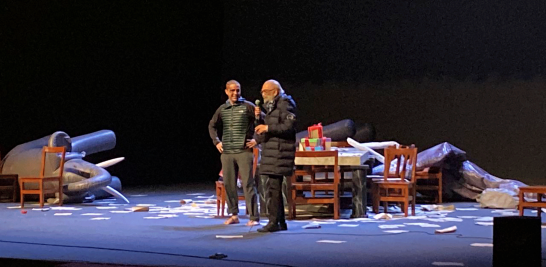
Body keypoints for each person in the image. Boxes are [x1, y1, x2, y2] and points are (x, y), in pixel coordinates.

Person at [209, 80, 260, 226]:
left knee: (248, 184)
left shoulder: (248, 106)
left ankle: (254, 217)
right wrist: (217, 142)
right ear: (226, 91)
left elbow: (263, 122)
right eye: (232, 90)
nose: (235, 93)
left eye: (237, 90)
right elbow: (212, 125)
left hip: (244, 151)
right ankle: (233, 214)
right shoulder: (222, 109)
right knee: (229, 184)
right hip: (227, 153)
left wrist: (256, 140)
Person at [254, 79, 297, 232]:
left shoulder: (285, 103)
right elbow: (268, 127)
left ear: (275, 92)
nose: (263, 94)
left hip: (280, 152)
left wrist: (267, 127)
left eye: (265, 91)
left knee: (274, 189)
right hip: (272, 151)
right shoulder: (272, 106)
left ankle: (274, 222)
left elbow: (288, 126)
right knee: (274, 188)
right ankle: (280, 222)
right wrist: (259, 119)